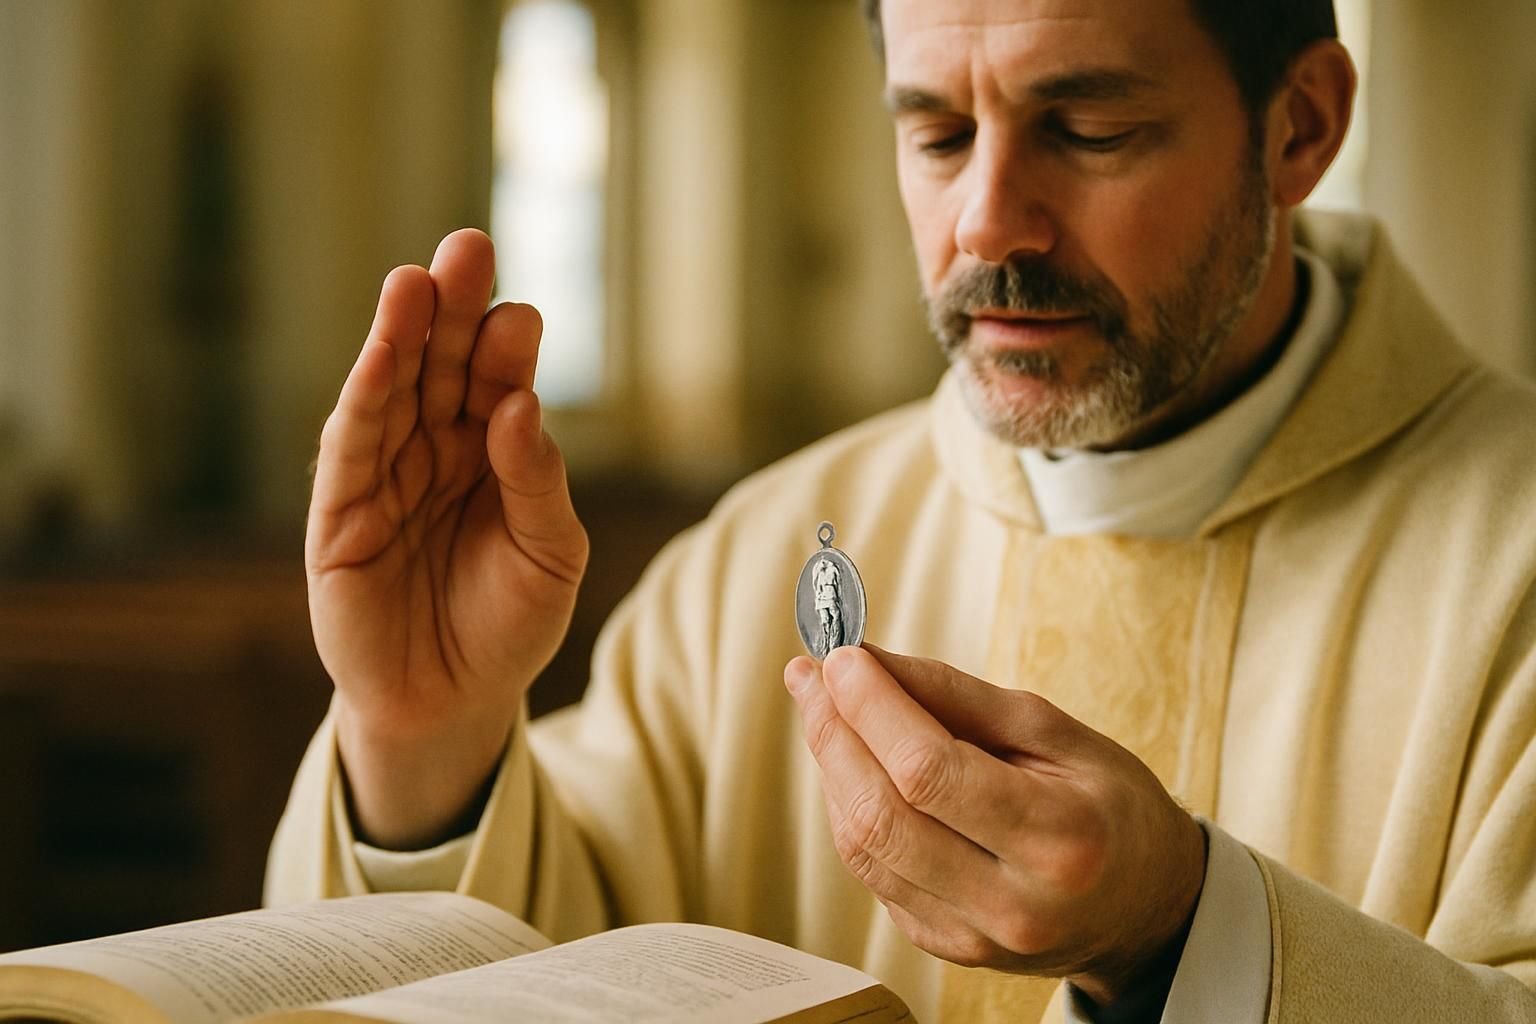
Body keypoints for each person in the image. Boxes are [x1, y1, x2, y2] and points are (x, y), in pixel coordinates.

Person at [266, 0, 1536, 1020]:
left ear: (1299, 128)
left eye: (1088, 128)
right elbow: (554, 950)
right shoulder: (763, 552)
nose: (987, 219)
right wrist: (422, 741)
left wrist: (1184, 936)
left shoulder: (1511, 559)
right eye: (935, 135)